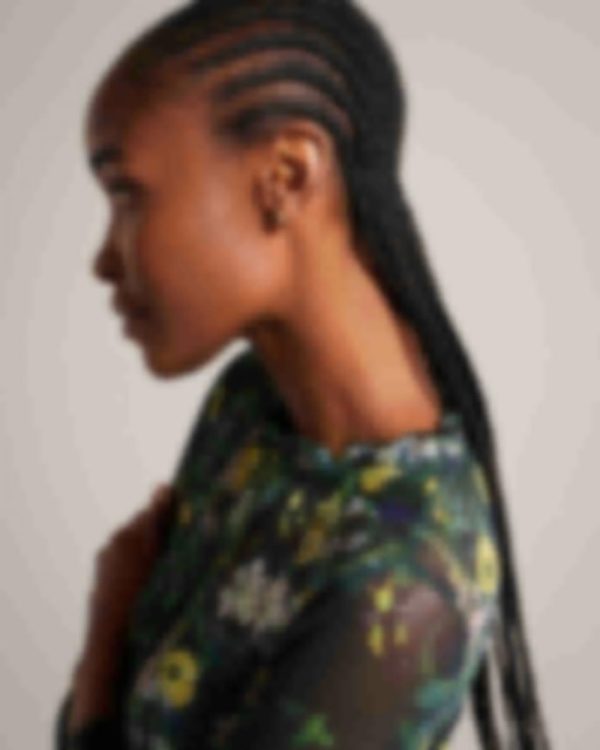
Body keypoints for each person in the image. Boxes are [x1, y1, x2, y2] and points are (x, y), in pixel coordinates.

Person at [54, 1, 553, 748]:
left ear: (285, 176)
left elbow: (108, 708)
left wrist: (102, 648)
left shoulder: (403, 590)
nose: (102, 259)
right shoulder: (250, 402)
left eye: (127, 195)